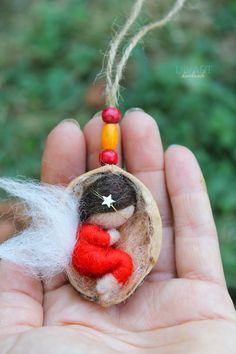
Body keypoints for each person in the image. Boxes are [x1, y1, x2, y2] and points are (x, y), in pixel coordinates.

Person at [0, 109, 235, 353]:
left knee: (121, 259)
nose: (118, 224)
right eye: (117, 217)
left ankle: (106, 282)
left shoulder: (86, 228)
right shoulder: (89, 230)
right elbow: (98, 237)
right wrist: (111, 236)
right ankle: (108, 284)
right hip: (87, 261)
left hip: (87, 260)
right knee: (124, 260)